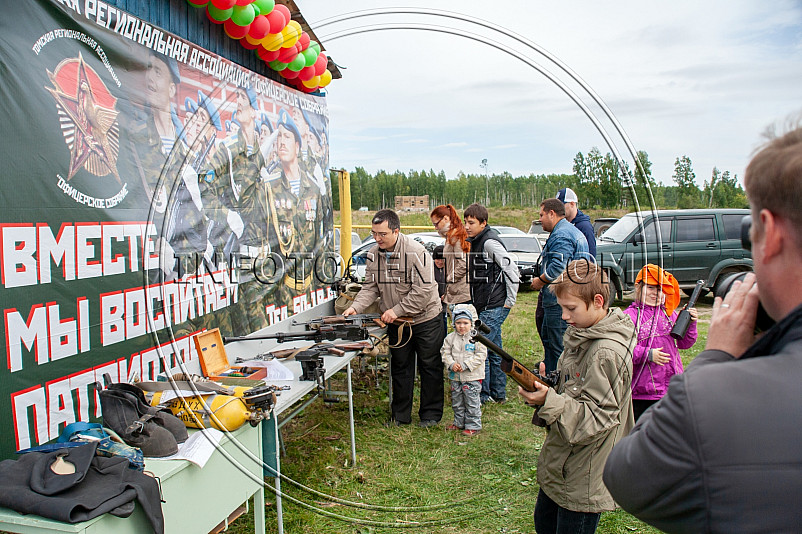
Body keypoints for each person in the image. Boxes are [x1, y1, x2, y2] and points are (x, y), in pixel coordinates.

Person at [603, 125, 802, 533]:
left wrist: (716, 360)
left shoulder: (710, 398)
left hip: (666, 390)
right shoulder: (634, 317)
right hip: (643, 387)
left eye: (752, 236)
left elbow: (628, 476)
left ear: (772, 233)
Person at [519, 259, 634, 534]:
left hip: (586, 472)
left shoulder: (605, 353)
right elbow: (575, 389)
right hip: (564, 462)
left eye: (570, 308)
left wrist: (549, 401)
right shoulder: (582, 331)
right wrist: (551, 386)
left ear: (597, 301)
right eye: (561, 308)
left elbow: (599, 416)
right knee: (544, 524)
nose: (564, 317)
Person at [343, 210, 445, 427]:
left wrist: (396, 310)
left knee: (430, 366)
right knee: (400, 367)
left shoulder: (417, 252)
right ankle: (400, 416)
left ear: (396, 231)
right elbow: (370, 287)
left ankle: (430, 415)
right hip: (397, 324)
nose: (377, 238)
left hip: (426, 319)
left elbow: (423, 291)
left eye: (382, 234)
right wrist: (355, 307)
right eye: (374, 233)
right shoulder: (373, 254)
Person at [623, 264, 698, 421]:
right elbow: (622, 349)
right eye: (650, 288)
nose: (655, 293)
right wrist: (647, 354)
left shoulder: (670, 314)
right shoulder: (628, 317)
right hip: (642, 393)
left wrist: (690, 324)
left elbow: (685, 344)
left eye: (660, 289)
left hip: (670, 389)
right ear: (638, 287)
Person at [463, 203, 519, 405]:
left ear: (483, 223)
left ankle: (483, 395)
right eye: (465, 222)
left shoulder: (488, 243)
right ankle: (498, 392)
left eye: (471, 223)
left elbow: (511, 270)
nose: (467, 226)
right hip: (485, 304)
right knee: (495, 350)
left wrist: (509, 301)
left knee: (481, 349)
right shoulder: (477, 241)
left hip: (494, 305)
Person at [530, 198, 590, 373]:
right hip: (569, 298)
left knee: (558, 347)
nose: (540, 219)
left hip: (560, 301)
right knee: (551, 342)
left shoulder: (561, 234)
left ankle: (559, 386)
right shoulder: (570, 231)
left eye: (541, 215)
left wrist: (540, 281)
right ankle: (550, 377)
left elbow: (558, 267)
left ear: (551, 213)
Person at [442, 304, 487, 436]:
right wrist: (451, 364)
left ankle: (473, 425)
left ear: (471, 323)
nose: (462, 326)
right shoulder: (450, 338)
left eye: (465, 323)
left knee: (472, 402)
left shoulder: (477, 339)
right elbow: (445, 353)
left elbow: (481, 355)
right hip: (455, 376)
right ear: (454, 323)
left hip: (472, 377)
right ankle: (458, 422)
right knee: (457, 401)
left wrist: (467, 364)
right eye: (458, 323)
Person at [430, 205, 471, 307]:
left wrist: (449, 278)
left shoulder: (455, 237)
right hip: (456, 291)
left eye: (436, 224)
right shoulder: (451, 236)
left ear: (445, 218)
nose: (435, 228)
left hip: (462, 293)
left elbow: (464, 263)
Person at [557, 187, 596, 258]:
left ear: (572, 204)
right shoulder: (562, 225)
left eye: (562, 206)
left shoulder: (584, 227)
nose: (559, 210)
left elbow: (591, 255)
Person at [432, 245, 448, 332]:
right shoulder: (429, 268)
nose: (440, 262)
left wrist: (447, 294)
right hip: (432, 303)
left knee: (443, 323)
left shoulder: (449, 268)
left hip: (443, 304)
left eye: (442, 259)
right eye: (437, 259)